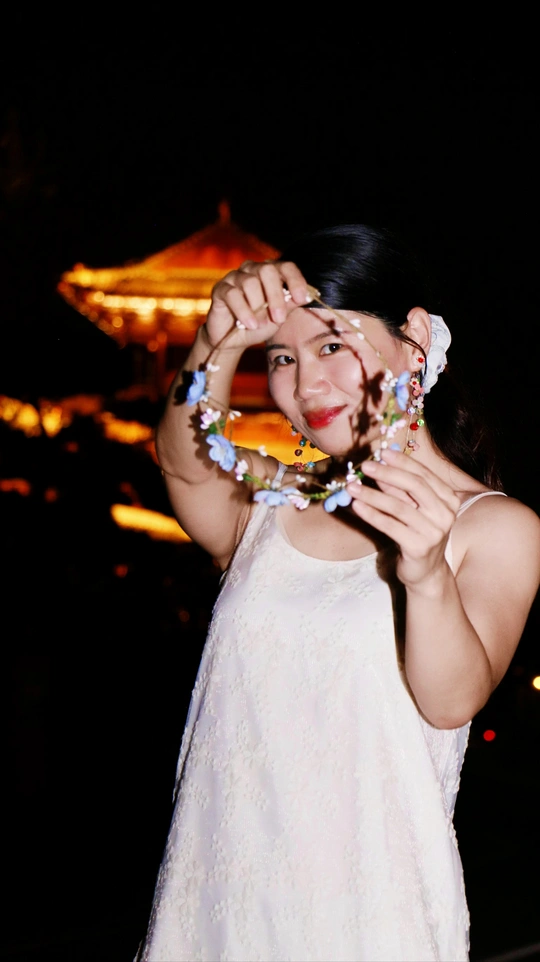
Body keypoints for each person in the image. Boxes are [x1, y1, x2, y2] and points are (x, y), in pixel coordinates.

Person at [136, 225, 540, 962]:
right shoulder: (275, 498)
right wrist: (216, 340)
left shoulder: (494, 527)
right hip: (215, 916)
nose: (305, 385)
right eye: (282, 357)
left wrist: (426, 574)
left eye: (330, 346)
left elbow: (452, 700)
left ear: (414, 340)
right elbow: (182, 460)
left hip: (369, 918)